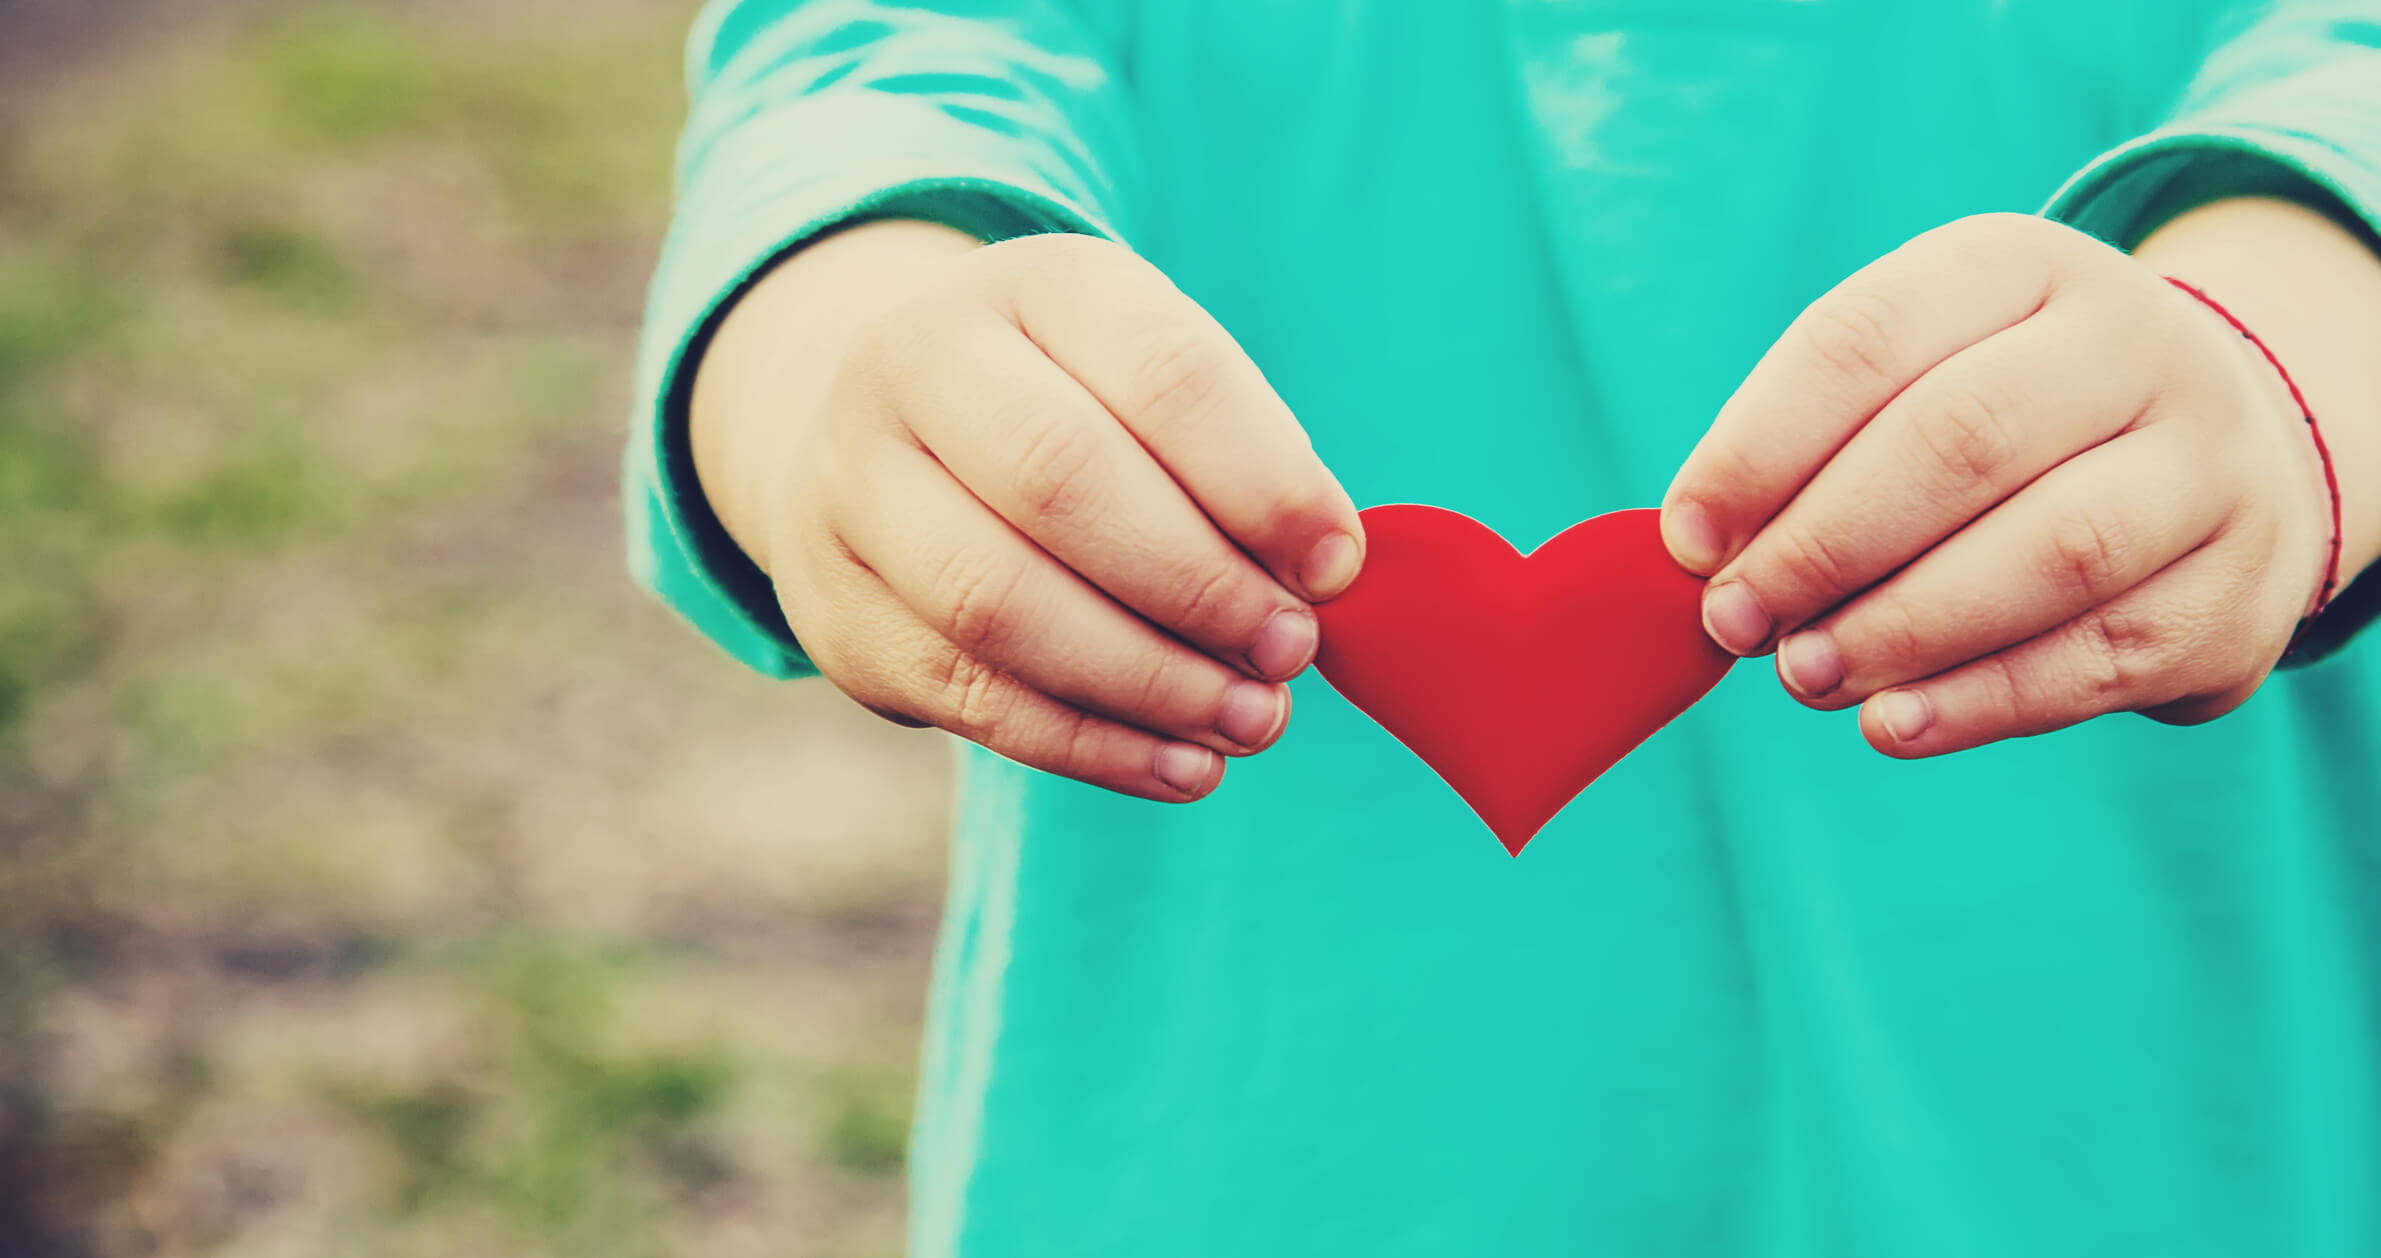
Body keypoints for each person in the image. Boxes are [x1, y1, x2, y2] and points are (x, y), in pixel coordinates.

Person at [626, 3, 2381, 1253]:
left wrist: (2277, 379)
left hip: (2131, 1172)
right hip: (1248, 1187)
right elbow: (853, 98)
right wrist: (839, 381)